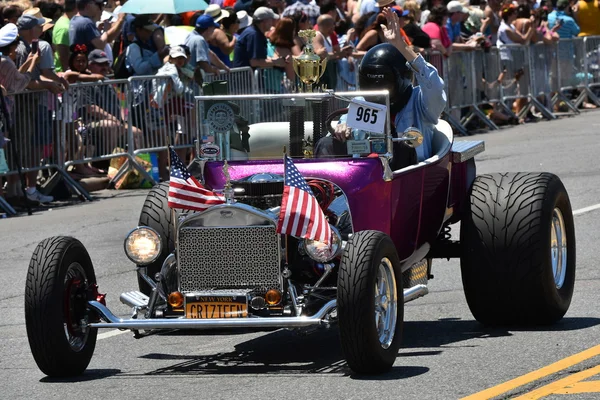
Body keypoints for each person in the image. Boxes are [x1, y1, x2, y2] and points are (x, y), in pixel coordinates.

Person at [317, 8, 446, 166]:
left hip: (406, 177)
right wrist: (342, 127)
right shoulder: (361, 102)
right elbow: (345, 122)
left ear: (401, 77)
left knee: (404, 145)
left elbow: (434, 84)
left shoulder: (420, 103)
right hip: (363, 177)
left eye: (384, 80)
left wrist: (401, 45)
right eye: (372, 80)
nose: (377, 86)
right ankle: (327, 189)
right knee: (326, 143)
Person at [0, 23, 42, 205]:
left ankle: (12, 192)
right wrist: (33, 63)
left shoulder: (4, 61)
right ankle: (8, 194)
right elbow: (18, 84)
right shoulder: (4, 61)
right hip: (4, 111)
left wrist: (28, 61)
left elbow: (15, 75)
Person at [53, 0, 77, 72]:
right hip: (64, 73)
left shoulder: (66, 22)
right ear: (76, 7)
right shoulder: (64, 27)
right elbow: (63, 55)